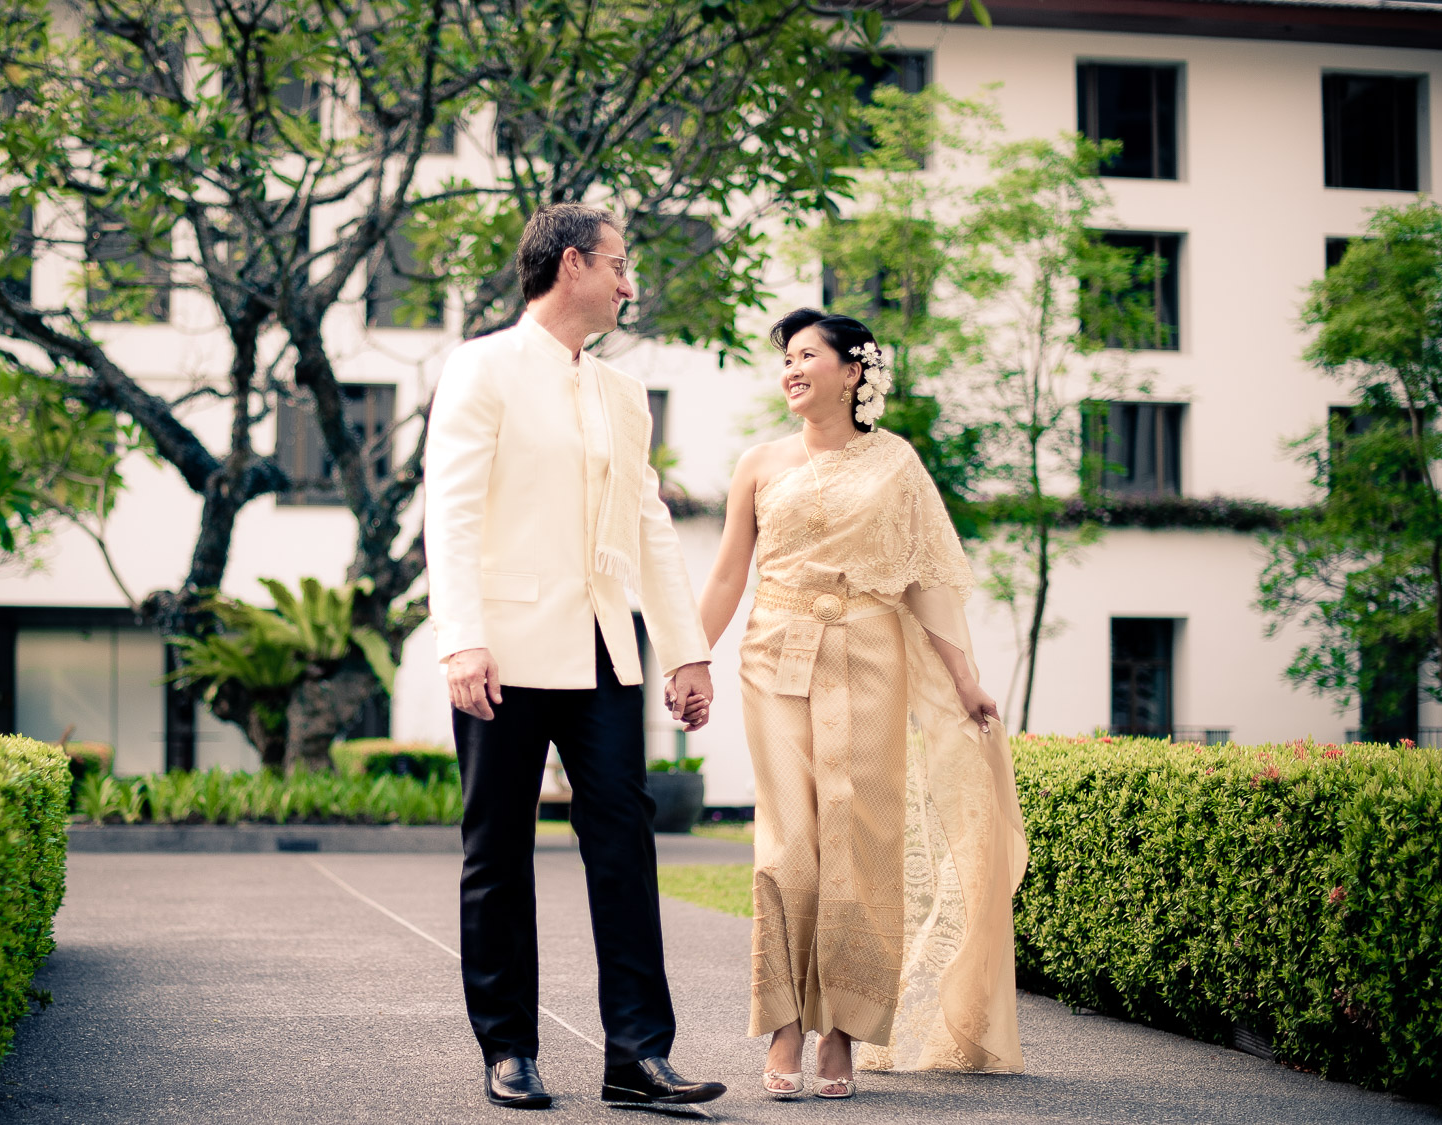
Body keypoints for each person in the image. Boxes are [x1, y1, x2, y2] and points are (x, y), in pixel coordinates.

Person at [424, 202, 727, 1111]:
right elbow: (453, 512)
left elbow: (649, 525)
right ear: (570, 265)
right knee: (497, 850)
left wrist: (686, 651)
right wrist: (461, 638)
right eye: (619, 265)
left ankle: (637, 1054)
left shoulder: (623, 393)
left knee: (624, 847)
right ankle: (508, 1048)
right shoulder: (480, 367)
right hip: (503, 652)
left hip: (604, 650)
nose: (630, 284)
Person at [696, 309, 1029, 1100]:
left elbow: (925, 580)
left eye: (807, 354)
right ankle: (784, 1023)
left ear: (853, 372)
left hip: (872, 654)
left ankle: (843, 1029)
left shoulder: (897, 464)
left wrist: (964, 677)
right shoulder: (758, 463)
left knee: (861, 840)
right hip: (776, 654)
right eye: (786, 357)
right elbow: (728, 573)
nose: (791, 368)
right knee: (788, 843)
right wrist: (688, 657)